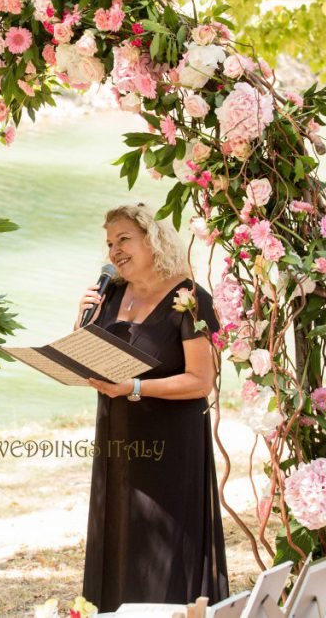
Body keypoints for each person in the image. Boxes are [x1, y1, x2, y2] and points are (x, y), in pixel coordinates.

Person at [76, 203, 229, 610]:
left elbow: (201, 381)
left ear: (153, 239)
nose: (114, 251)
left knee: (165, 545)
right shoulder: (109, 293)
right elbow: (86, 359)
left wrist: (135, 387)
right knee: (119, 535)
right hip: (117, 438)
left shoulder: (190, 299)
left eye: (124, 239)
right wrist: (81, 320)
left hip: (171, 445)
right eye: (110, 243)